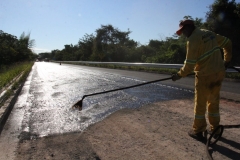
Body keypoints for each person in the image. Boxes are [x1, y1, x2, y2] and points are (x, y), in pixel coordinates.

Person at [172, 19, 232, 140]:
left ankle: (198, 130)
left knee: (200, 104)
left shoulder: (193, 39)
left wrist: (178, 75)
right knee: (213, 102)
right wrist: (227, 60)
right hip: (219, 72)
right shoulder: (208, 33)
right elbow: (228, 42)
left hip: (205, 76)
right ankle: (215, 129)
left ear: (188, 28)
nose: (183, 34)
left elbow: (189, 65)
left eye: (183, 31)